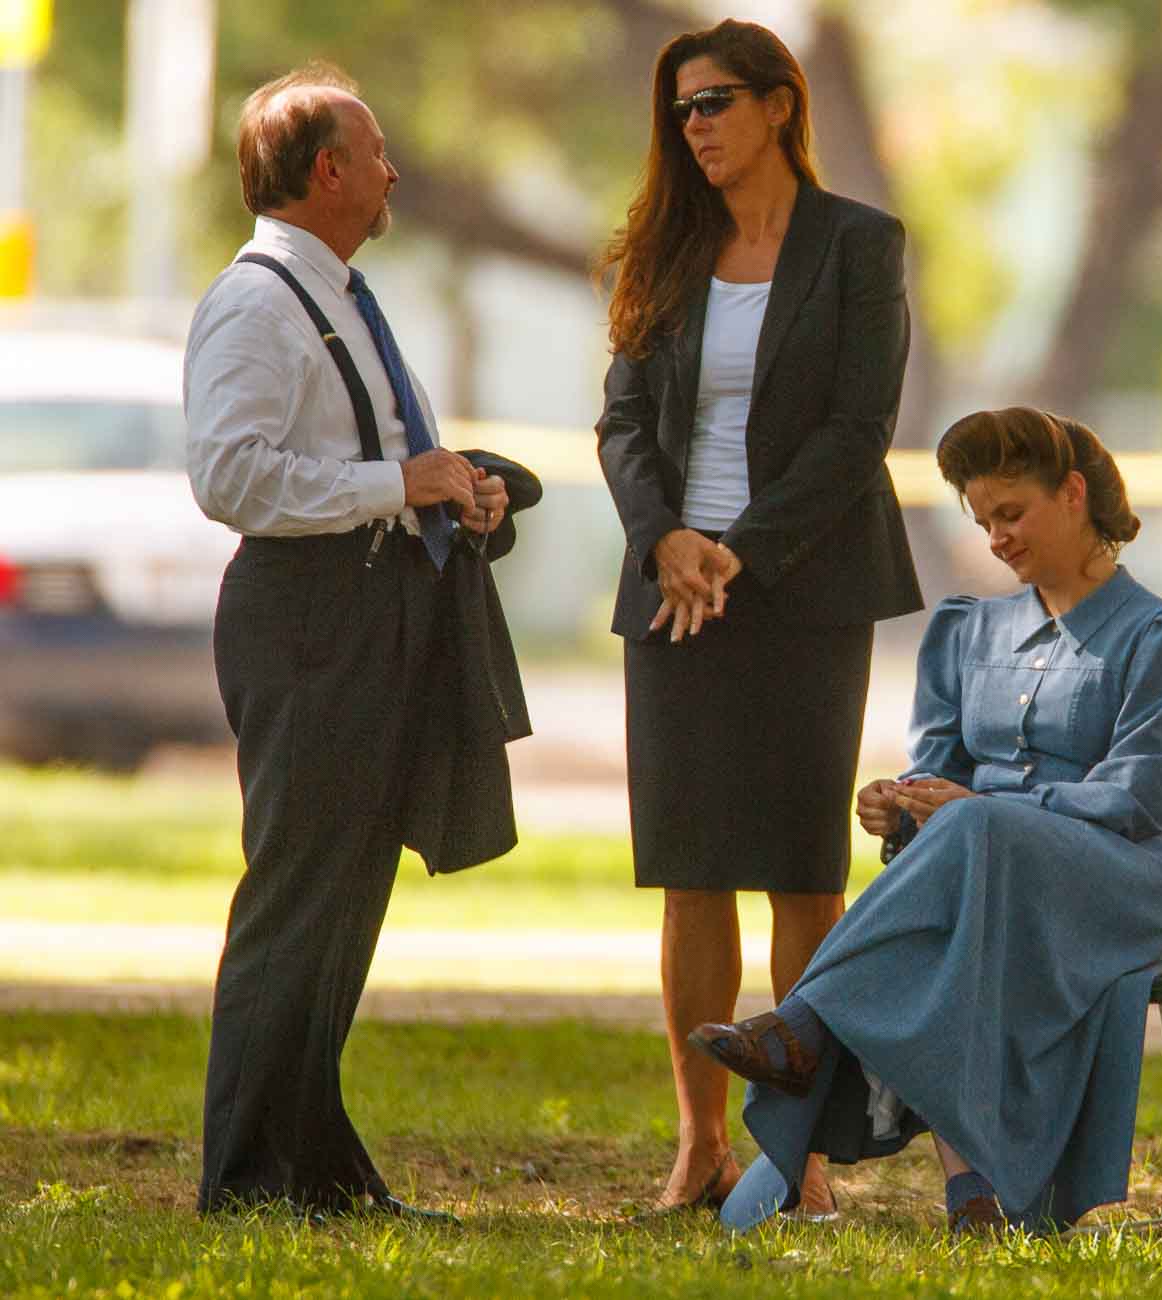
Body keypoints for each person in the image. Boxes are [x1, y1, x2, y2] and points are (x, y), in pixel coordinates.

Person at [692, 407, 1162, 1233]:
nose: (997, 537)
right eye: (983, 521)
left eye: (1013, 514)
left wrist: (986, 810)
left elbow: (1137, 799)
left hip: (1107, 886)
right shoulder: (966, 628)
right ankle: (972, 1197)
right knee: (962, 870)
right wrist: (897, 805)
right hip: (976, 878)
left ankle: (807, 1026)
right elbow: (936, 775)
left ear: (1073, 494)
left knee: (974, 835)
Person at [593, 18, 921, 1217]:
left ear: (781, 105)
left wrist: (739, 551)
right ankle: (700, 1144)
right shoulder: (661, 247)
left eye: (717, 101)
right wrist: (665, 541)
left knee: (799, 871)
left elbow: (856, 429)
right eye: (681, 109)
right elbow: (623, 425)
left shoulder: (859, 245)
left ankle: (803, 1153)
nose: (697, 127)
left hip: (805, 587)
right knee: (691, 873)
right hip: (673, 593)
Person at [184, 62, 518, 1221]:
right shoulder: (257, 301)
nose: (391, 173)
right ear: (328, 170)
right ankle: (245, 1179)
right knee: (299, 895)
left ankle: (314, 1170)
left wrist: (450, 489)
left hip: (379, 614)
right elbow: (229, 477)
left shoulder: (339, 298)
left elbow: (376, 459)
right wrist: (394, 484)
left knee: (345, 900)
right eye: (374, 155)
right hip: (310, 622)